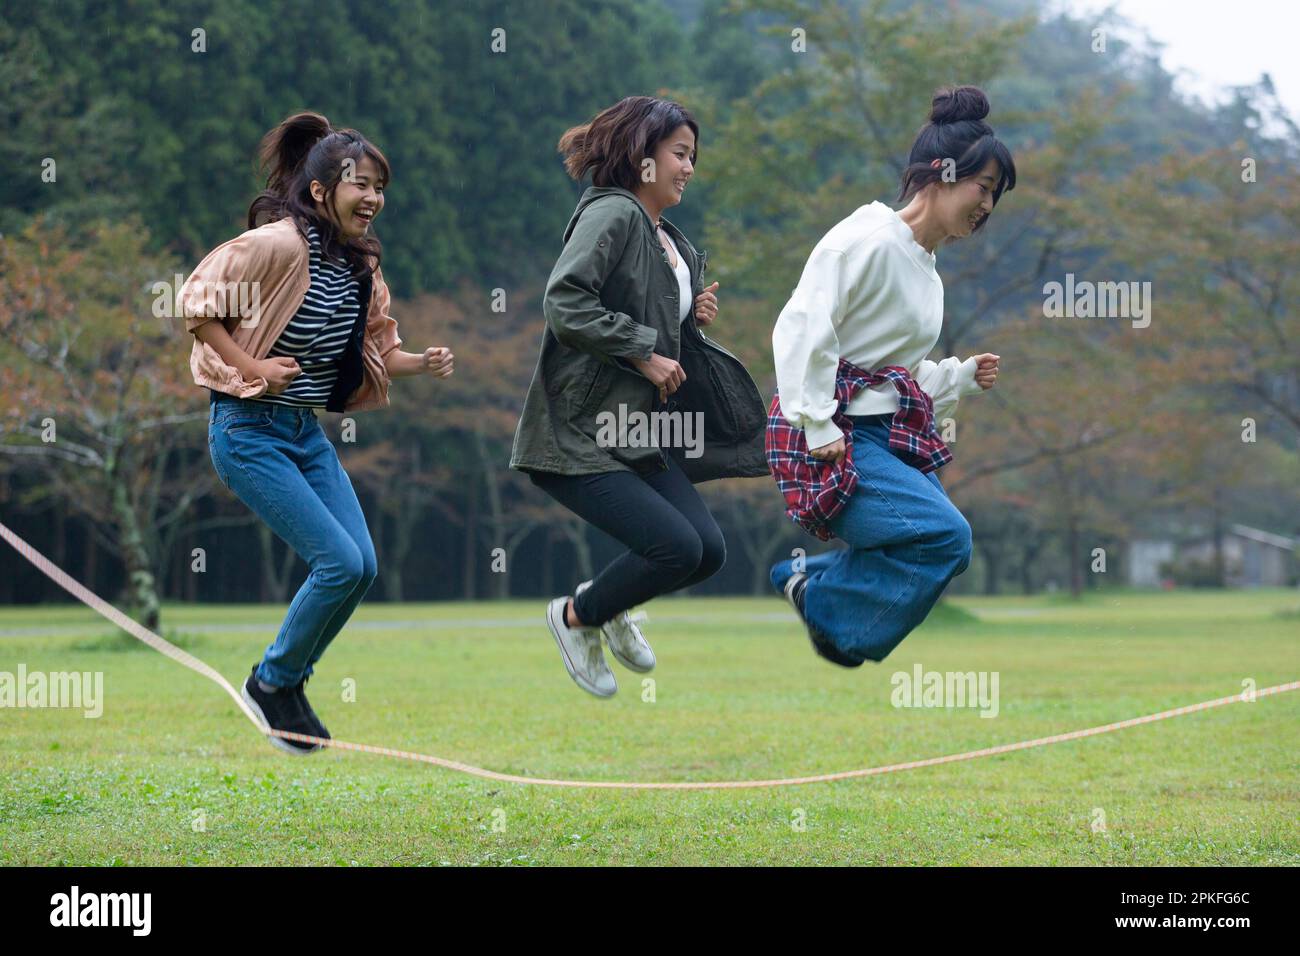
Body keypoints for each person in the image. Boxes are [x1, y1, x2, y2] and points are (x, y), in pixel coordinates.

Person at [180, 111, 454, 753]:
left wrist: (421, 362)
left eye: (380, 187)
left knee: (361, 565)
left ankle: (285, 684)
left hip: (302, 433)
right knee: (336, 561)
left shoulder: (358, 264)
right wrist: (252, 368)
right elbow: (195, 305)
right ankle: (273, 683)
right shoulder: (275, 246)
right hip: (246, 431)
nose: (374, 199)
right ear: (319, 191)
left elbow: (372, 348)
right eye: (361, 184)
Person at [510, 95, 768, 698]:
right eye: (679, 153)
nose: (689, 167)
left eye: (693, 157)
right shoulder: (614, 214)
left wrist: (689, 320)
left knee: (706, 551)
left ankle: (612, 601)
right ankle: (578, 616)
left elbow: (645, 314)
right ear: (641, 153)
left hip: (636, 432)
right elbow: (566, 301)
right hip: (580, 431)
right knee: (674, 546)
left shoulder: (663, 234)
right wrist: (644, 351)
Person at [768, 85, 1014, 667]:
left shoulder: (928, 273)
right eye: (984, 188)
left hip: (879, 433)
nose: (988, 206)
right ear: (943, 173)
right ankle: (828, 611)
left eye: (996, 197)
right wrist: (818, 422)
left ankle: (810, 588)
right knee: (945, 536)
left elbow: (894, 375)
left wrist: (956, 378)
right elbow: (803, 326)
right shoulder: (870, 241)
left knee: (950, 549)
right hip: (832, 435)